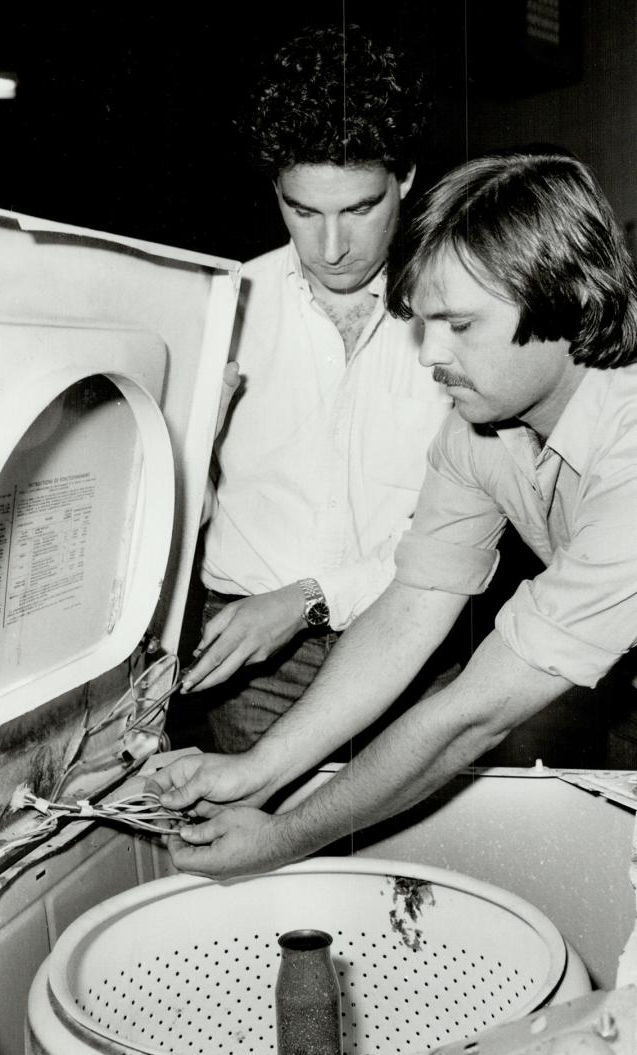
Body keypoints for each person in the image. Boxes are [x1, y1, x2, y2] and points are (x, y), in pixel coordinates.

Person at [152, 151, 637, 878]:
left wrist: (282, 838)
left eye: (459, 325)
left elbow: (471, 714)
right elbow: (412, 605)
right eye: (423, 321)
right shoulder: (479, 433)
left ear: (565, 301)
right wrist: (260, 768)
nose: (428, 355)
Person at [180, 25, 451, 753]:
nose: (329, 248)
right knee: (266, 857)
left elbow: (461, 526)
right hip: (250, 661)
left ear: (405, 179)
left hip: (410, 640)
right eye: (302, 210)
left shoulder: (461, 313)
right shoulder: (219, 308)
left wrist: (306, 600)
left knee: (407, 860)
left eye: (358, 209)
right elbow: (175, 512)